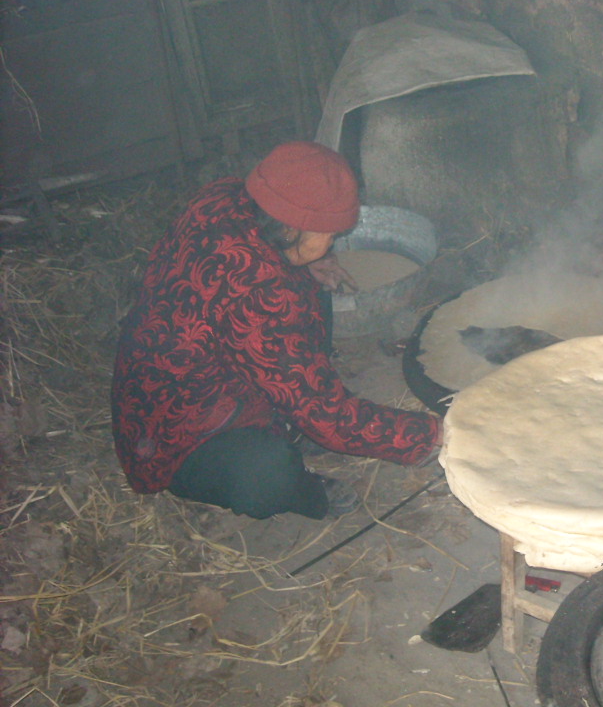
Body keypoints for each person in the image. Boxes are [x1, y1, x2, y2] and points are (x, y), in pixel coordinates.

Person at [111, 141, 442, 520]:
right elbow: (328, 416)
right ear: (292, 227)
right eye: (329, 234)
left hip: (179, 376)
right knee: (266, 473)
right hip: (177, 437)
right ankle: (306, 493)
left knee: (307, 284)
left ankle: (289, 419)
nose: (333, 242)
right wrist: (430, 434)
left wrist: (311, 259)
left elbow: (258, 281)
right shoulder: (263, 292)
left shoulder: (223, 197)